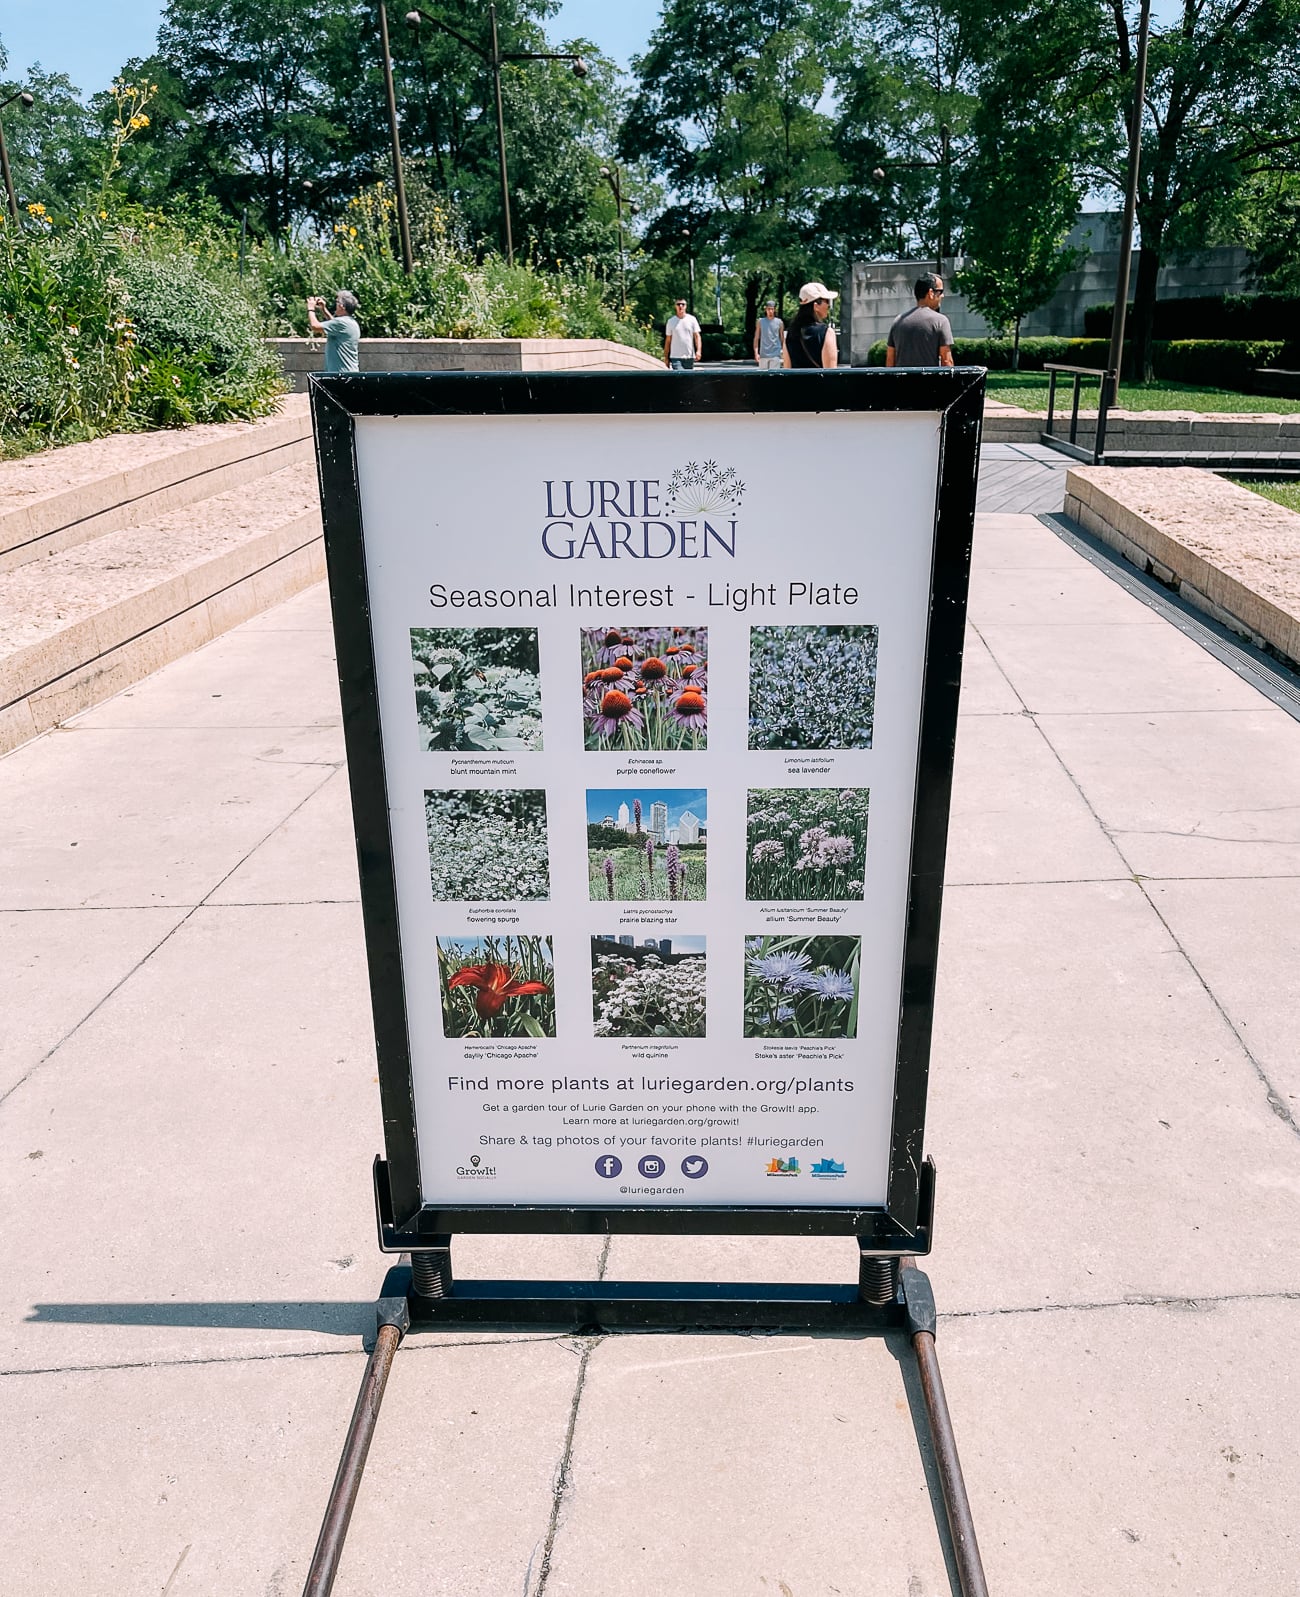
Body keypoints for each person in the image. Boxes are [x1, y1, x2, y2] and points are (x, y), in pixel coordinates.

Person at [886, 274, 954, 368]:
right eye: (940, 291)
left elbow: (890, 361)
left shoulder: (898, 322)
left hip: (901, 382)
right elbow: (947, 361)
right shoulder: (941, 321)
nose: (942, 296)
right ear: (931, 293)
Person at [782, 282, 839, 369]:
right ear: (816, 306)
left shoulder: (791, 333)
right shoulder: (827, 333)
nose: (828, 305)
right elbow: (831, 372)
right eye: (826, 301)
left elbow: (787, 370)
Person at [307, 290, 361, 374]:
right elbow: (334, 324)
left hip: (341, 376)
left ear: (342, 306)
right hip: (348, 374)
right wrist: (323, 309)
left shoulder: (342, 322)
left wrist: (311, 308)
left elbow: (315, 326)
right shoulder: (350, 322)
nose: (335, 304)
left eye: (337, 301)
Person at [663, 298, 702, 370]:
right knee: (680, 377)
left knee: (688, 380)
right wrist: (666, 357)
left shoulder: (692, 319)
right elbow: (668, 340)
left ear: (685, 306)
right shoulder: (671, 321)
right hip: (675, 357)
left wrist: (698, 351)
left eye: (683, 304)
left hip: (689, 357)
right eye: (678, 304)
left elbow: (697, 336)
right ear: (675, 306)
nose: (680, 306)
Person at [753, 299, 786, 369]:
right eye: (768, 309)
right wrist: (756, 353)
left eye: (772, 309)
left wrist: (784, 353)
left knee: (773, 377)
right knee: (763, 377)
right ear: (766, 309)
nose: (770, 311)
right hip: (763, 354)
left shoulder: (779, 322)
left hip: (775, 354)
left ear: (774, 310)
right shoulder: (760, 321)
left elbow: (782, 339)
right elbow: (756, 338)